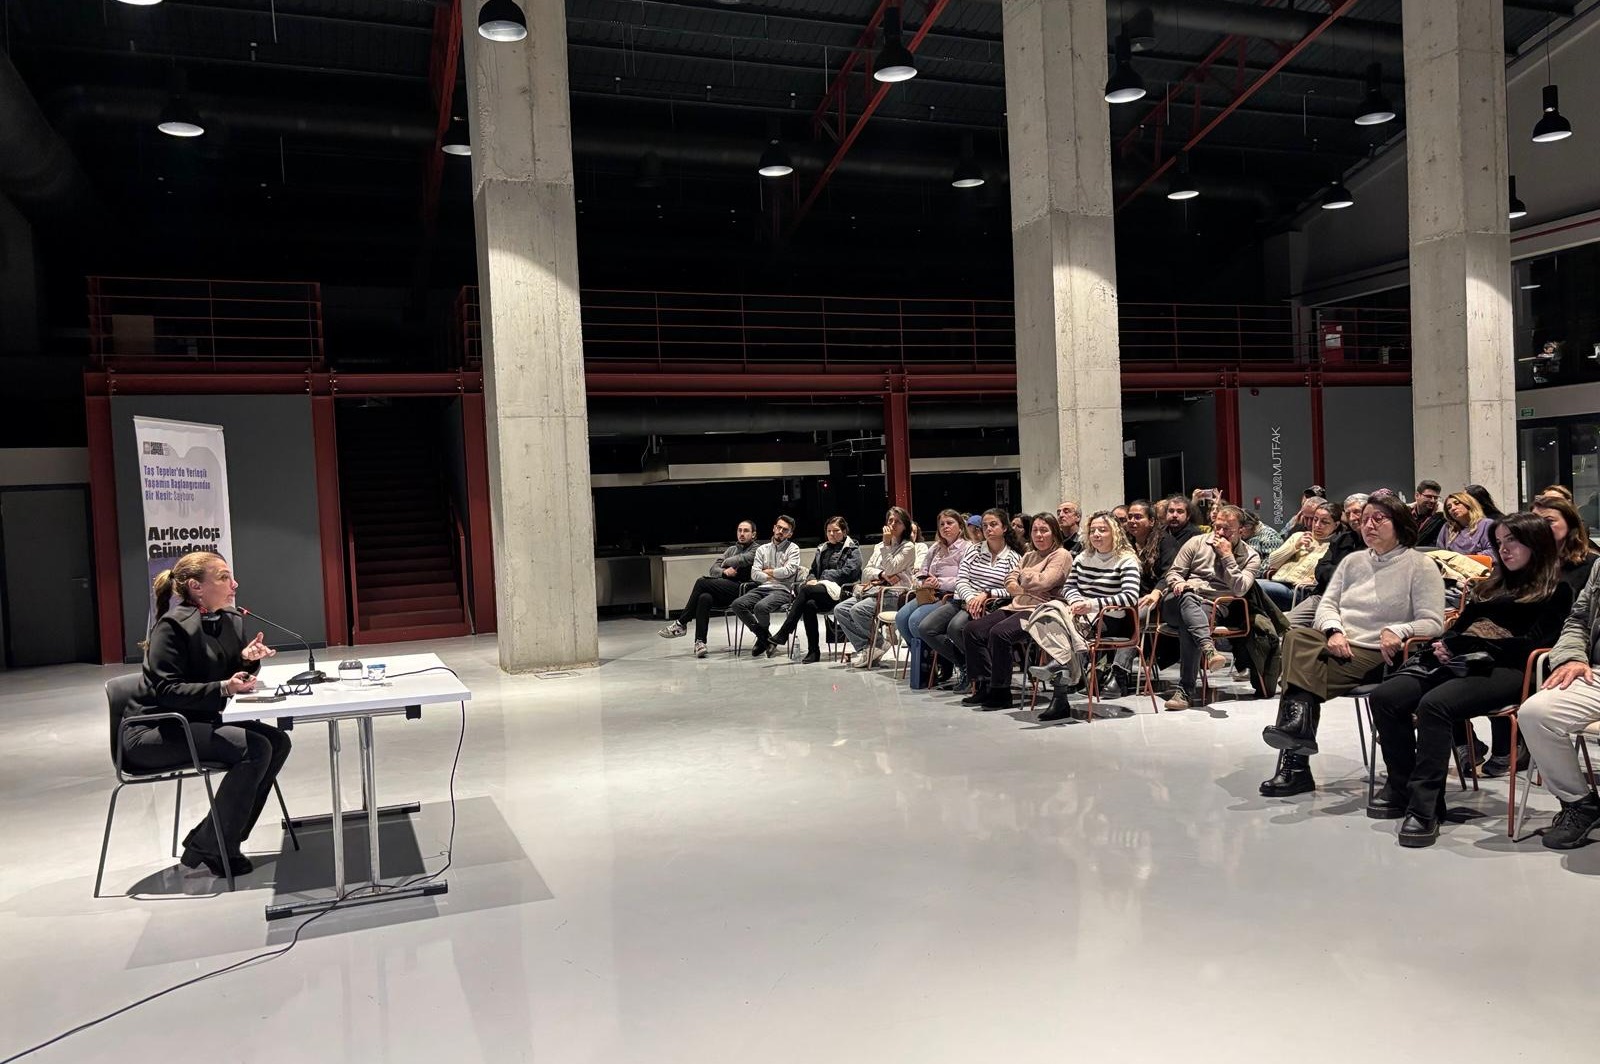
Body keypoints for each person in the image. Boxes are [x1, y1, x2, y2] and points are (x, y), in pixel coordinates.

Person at [1365, 513, 1571, 846]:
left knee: (1435, 705)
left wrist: (1467, 645)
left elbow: (1533, 645)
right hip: (1461, 661)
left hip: (1511, 670)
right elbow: (1460, 628)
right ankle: (1401, 786)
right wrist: (1445, 644)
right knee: (1385, 698)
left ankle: (1425, 806)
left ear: (1536, 543)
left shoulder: (1556, 590)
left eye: (1512, 540)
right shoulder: (1490, 585)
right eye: (1499, 542)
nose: (1504, 549)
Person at [1259, 494, 1446, 797]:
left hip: (1382, 653)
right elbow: (1326, 605)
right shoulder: (1353, 562)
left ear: (1399, 523)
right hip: (1342, 643)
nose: (1368, 525)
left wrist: (1399, 629)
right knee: (1295, 637)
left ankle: (1295, 764)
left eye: (1378, 519)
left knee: (1298, 677)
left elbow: (1433, 622)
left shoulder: (1420, 565)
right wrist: (1334, 630)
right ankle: (1298, 733)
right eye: (1365, 518)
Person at [122, 552, 290, 878]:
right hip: (157, 729)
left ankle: (214, 840)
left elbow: (224, 673)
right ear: (196, 587)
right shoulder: (172, 627)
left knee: (278, 742)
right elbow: (166, 691)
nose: (234, 584)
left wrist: (246, 660)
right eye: (224, 577)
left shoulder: (228, 620)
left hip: (198, 719)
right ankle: (217, 844)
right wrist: (224, 688)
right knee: (255, 749)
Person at [1025, 511, 1142, 720]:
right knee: (1051, 610)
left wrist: (1091, 604)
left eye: (1102, 530)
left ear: (1115, 533)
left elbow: (1130, 596)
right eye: (1093, 530)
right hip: (1081, 614)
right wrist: (1076, 601)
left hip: (1111, 618)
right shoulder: (1083, 557)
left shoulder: (1127, 560)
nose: (1096, 534)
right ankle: (1063, 669)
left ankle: (1060, 693)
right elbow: (1069, 587)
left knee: (1060, 626)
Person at [1517, 559, 1600, 849]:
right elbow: (1578, 620)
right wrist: (1572, 657)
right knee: (1535, 713)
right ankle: (1579, 803)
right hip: (1595, 673)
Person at [962, 513, 1071, 710]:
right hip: (1016, 605)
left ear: (1054, 533)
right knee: (972, 629)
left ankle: (1001, 691)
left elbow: (1045, 582)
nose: (1038, 535)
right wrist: (1024, 583)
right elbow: (1009, 580)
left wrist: (1023, 578)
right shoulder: (1029, 555)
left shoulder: (1061, 555)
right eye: (1035, 530)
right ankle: (985, 684)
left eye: (1044, 530)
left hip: (1041, 609)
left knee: (1000, 633)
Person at [1158, 504, 1261, 710]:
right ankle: (1208, 649)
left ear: (1241, 530)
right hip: (1177, 600)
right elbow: (1174, 572)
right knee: (1188, 598)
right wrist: (1179, 582)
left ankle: (1185, 690)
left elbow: (1240, 589)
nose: (1220, 533)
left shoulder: (1251, 556)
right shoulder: (1196, 542)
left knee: (1192, 623)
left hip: (1214, 606)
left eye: (1227, 529)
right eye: (1217, 527)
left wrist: (1228, 557)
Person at [920, 509, 1020, 691]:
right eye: (985, 526)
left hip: (989, 604)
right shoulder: (974, 550)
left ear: (1004, 528)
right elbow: (961, 579)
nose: (988, 529)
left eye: (993, 525)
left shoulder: (1013, 557)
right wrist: (971, 597)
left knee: (955, 627)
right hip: (964, 599)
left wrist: (987, 594)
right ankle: (966, 665)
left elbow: (1013, 590)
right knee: (926, 628)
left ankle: (982, 674)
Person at [659, 519, 759, 656]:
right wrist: (724, 571)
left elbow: (743, 559)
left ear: (753, 534)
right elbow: (713, 569)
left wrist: (725, 562)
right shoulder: (731, 549)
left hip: (744, 590)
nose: (742, 534)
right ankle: (700, 642)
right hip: (726, 589)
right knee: (704, 597)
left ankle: (681, 623)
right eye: (739, 530)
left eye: (746, 531)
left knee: (701, 582)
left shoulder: (757, 549)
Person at [834, 507, 917, 668]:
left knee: (858, 610)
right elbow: (867, 571)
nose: (893, 524)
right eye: (890, 520)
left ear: (905, 526)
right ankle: (868, 647)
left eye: (898, 522)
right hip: (875, 590)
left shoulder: (908, 547)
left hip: (895, 594)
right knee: (840, 610)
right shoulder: (879, 546)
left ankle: (878, 645)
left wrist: (887, 546)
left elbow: (891, 567)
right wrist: (881, 574)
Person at [769, 517, 861, 663]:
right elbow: (813, 571)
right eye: (829, 531)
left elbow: (849, 573)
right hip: (822, 592)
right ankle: (813, 651)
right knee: (808, 604)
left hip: (843, 593)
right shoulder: (822, 548)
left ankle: (784, 632)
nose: (831, 534)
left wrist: (822, 578)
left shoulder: (852, 549)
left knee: (806, 590)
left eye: (836, 531)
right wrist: (812, 579)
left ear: (844, 532)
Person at [894, 509, 971, 683]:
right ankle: (926, 663)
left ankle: (946, 661)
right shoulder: (936, 547)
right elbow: (922, 571)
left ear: (960, 526)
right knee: (901, 618)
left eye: (950, 523)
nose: (945, 527)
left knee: (915, 621)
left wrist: (940, 582)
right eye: (942, 524)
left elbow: (965, 578)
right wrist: (923, 581)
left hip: (950, 595)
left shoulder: (967, 548)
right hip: (929, 593)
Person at [730, 515, 802, 657]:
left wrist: (768, 571)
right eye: (779, 527)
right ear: (774, 528)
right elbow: (754, 574)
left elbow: (789, 571)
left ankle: (762, 639)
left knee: (760, 607)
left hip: (783, 590)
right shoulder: (762, 549)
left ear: (790, 534)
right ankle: (765, 638)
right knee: (737, 604)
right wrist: (773, 574)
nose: (780, 531)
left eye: (785, 530)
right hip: (762, 588)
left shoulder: (793, 549)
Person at [1255, 500, 1339, 610]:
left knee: (1252, 588)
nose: (1317, 525)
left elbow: (1327, 575)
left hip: (1299, 591)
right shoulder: (1298, 536)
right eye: (1315, 519)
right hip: (1276, 582)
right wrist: (1295, 546)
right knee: (1245, 588)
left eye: (1324, 522)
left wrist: (1314, 581)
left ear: (1336, 525)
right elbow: (1273, 563)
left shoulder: (1333, 546)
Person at [1532, 493, 1597, 594]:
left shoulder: (1592, 564)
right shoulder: (1526, 562)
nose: (1540, 526)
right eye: (1535, 521)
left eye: (1549, 521)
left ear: (1570, 524)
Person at [1154, 494, 1202, 577]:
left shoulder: (1195, 535)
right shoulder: (1159, 532)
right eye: (1171, 511)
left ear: (1188, 516)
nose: (1174, 515)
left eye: (1180, 512)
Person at [1412, 479, 1444, 545]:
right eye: (1428, 496)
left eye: (1435, 497)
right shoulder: (1405, 513)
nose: (1432, 500)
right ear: (1417, 496)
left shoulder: (1443, 518)